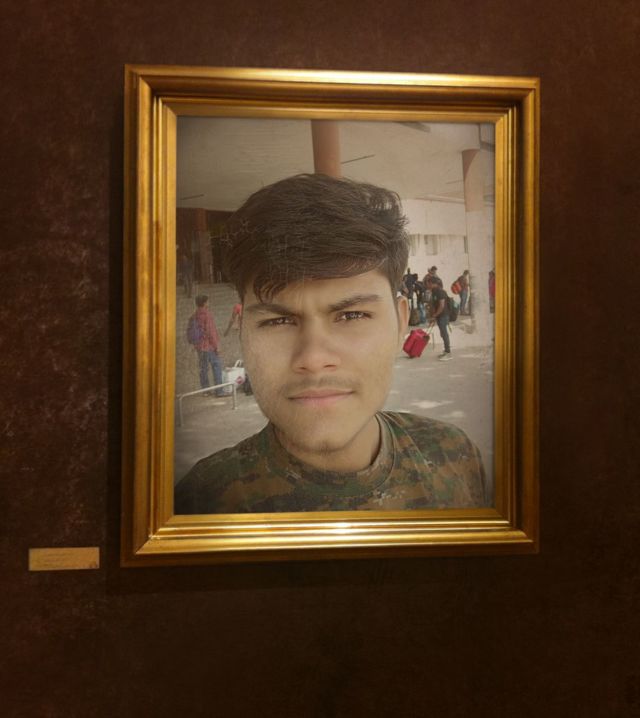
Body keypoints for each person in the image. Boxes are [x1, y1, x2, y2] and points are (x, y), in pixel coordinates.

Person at [175, 174, 487, 514]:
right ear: (243, 333)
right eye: (278, 321)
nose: (314, 358)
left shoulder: (456, 458)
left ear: (400, 323)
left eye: (352, 315)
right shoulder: (198, 503)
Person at [189, 295, 224, 396]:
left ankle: (206, 391)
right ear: (204, 303)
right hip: (208, 346)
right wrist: (216, 346)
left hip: (199, 347)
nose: (209, 302)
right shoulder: (207, 314)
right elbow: (210, 332)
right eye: (208, 301)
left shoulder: (194, 315)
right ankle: (219, 391)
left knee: (203, 368)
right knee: (216, 366)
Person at [426, 276, 452, 361]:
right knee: (442, 333)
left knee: (444, 334)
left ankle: (448, 353)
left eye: (428, 283)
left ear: (432, 283)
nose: (427, 285)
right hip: (440, 315)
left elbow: (441, 306)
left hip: (443, 315)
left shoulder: (440, 292)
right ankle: (446, 351)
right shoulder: (434, 291)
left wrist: (435, 315)